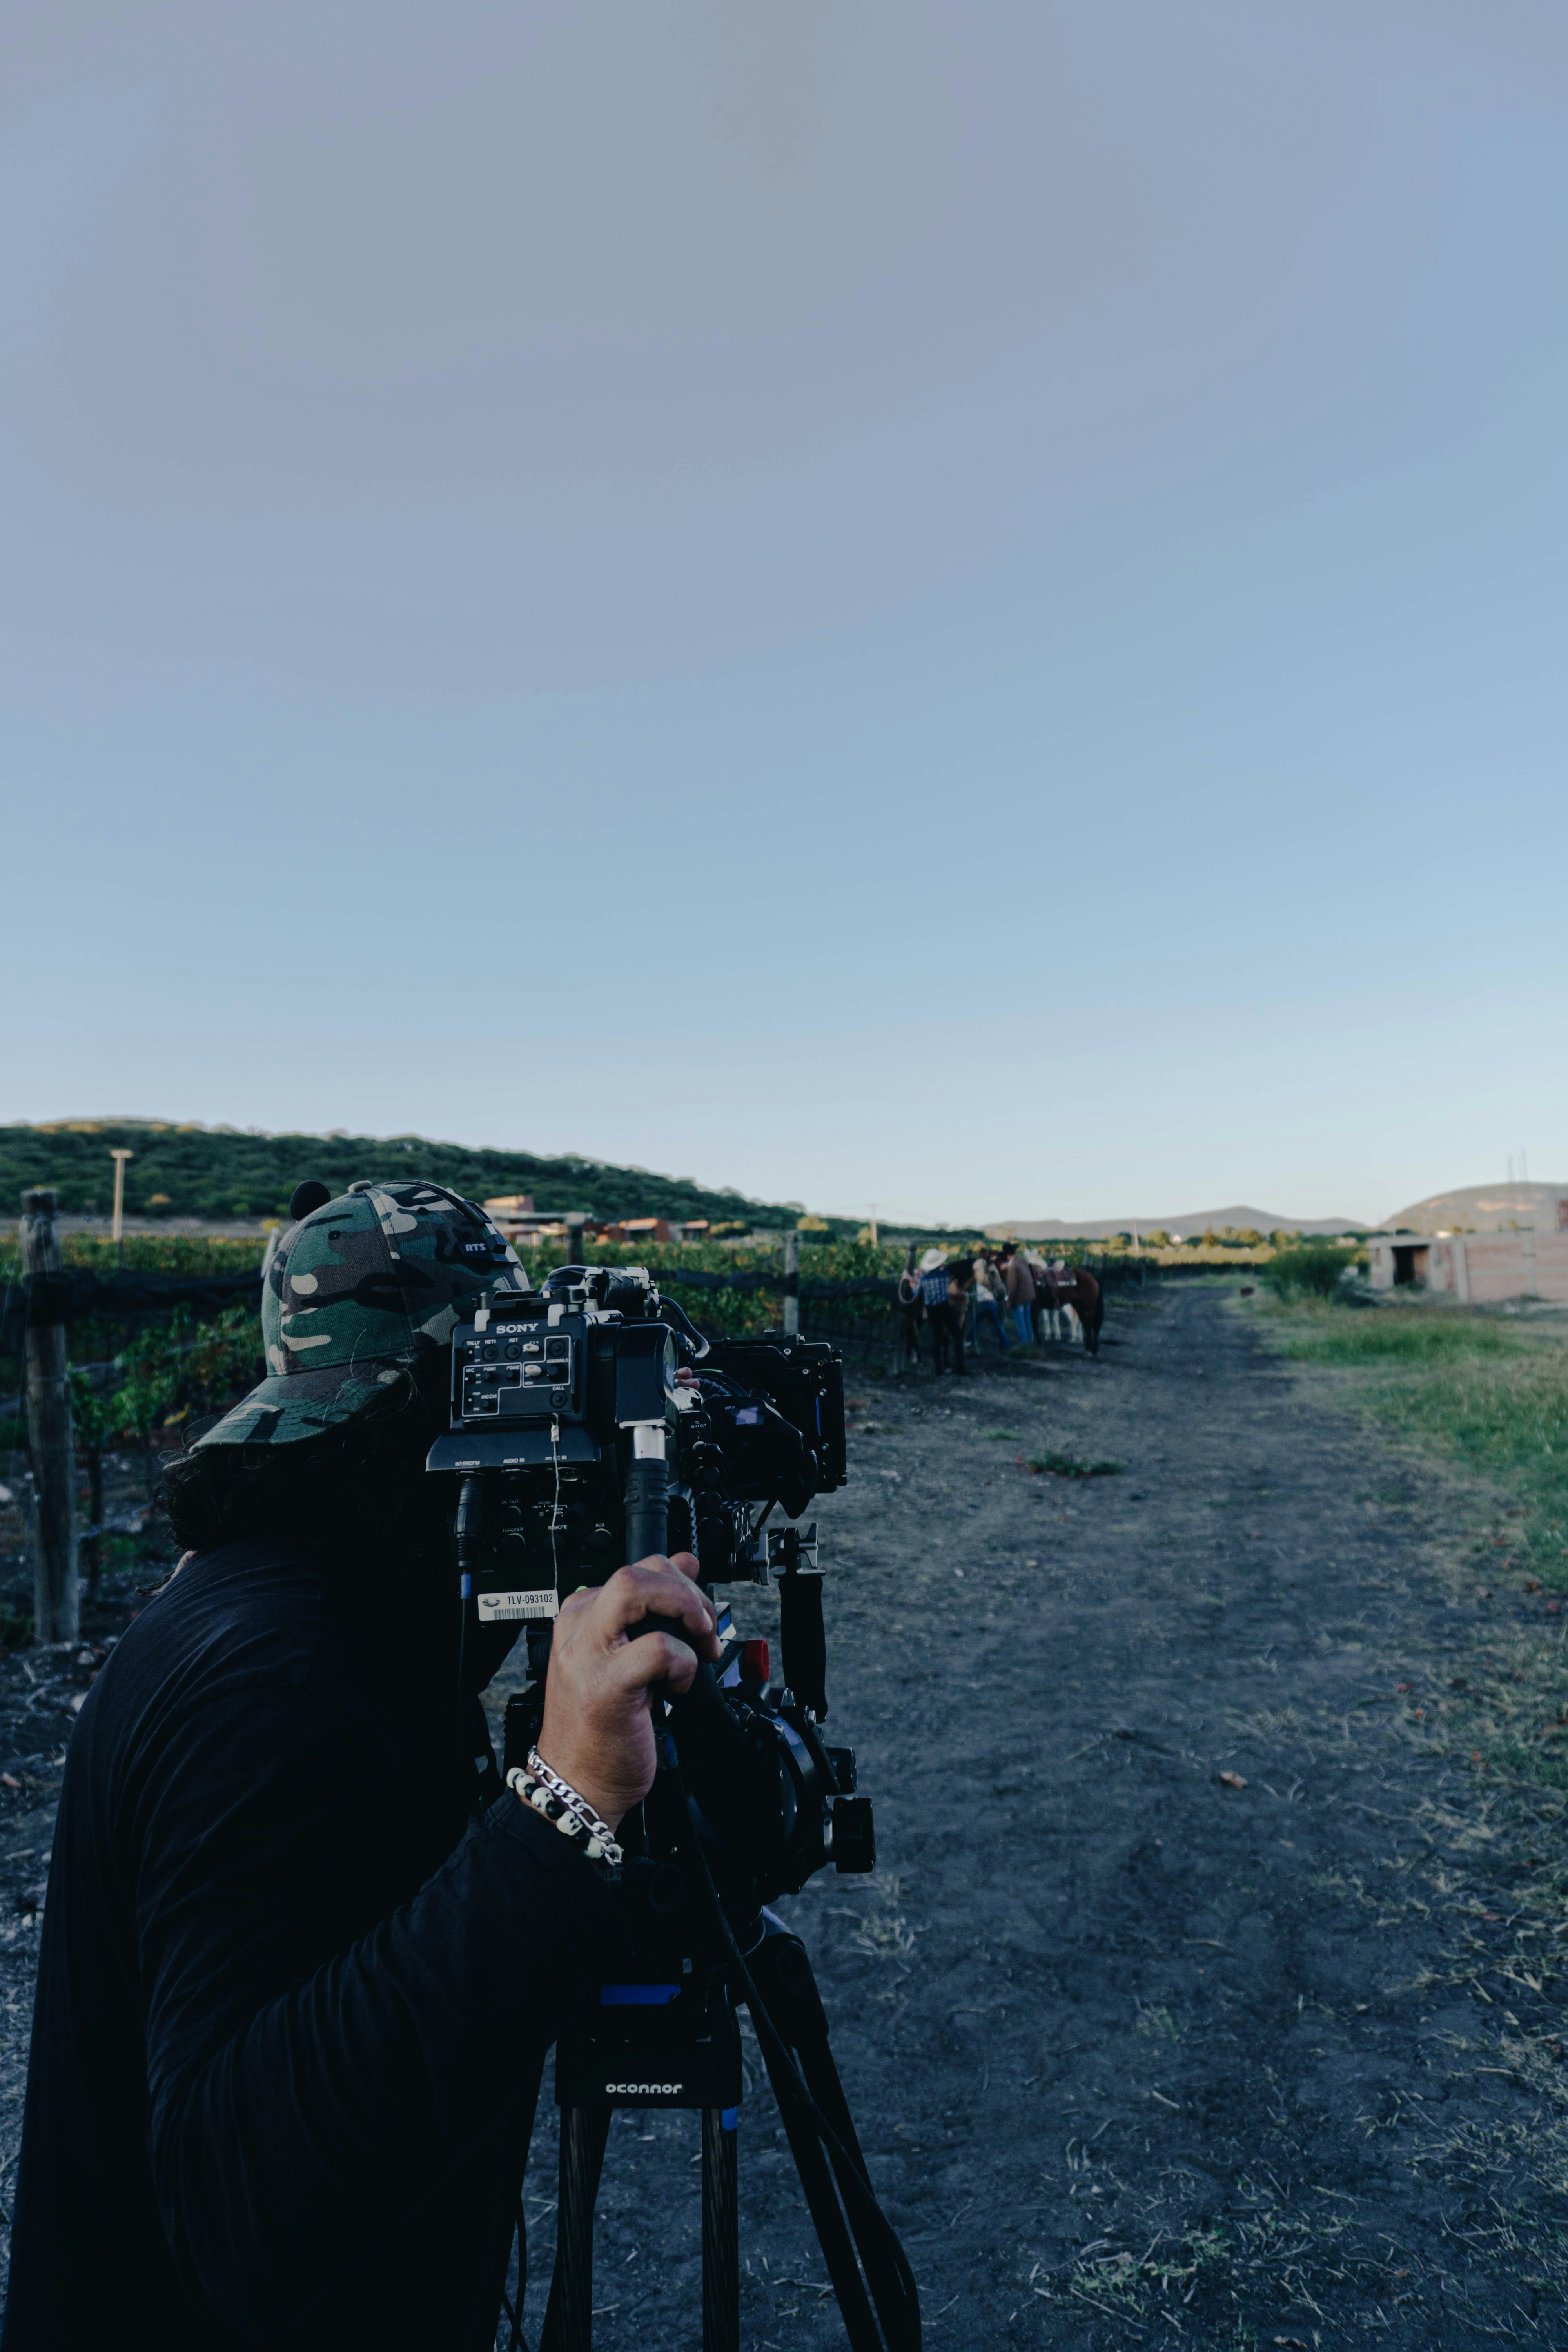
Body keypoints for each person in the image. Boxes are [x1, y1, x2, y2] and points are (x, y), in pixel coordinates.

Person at [2, 1178, 721, 2352]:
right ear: (427, 1418)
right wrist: (561, 1808)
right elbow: (236, 2214)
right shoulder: (278, 1686)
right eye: (517, 1410)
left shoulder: (296, 1608)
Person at [915, 1246, 954, 1375]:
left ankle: (938, 1369)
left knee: (936, 1338)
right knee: (952, 1334)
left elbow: (915, 1294)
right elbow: (947, 1272)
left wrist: (913, 1284)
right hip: (945, 1307)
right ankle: (952, 1362)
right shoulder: (945, 1275)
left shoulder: (923, 1279)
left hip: (932, 1311)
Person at [971, 1252, 1012, 1352]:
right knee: (995, 1324)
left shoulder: (986, 1274)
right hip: (988, 1302)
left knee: (977, 1321)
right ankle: (1005, 1344)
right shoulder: (982, 1273)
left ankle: (971, 1340)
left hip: (988, 1302)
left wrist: (990, 1299)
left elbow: (989, 1288)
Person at [943, 1259, 974, 1377]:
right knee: (953, 1337)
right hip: (948, 1310)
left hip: (952, 1310)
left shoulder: (952, 1277)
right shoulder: (949, 1278)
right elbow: (951, 1292)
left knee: (953, 1337)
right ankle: (957, 1366)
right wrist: (962, 1294)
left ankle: (950, 1363)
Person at [1001, 1243, 1037, 1345]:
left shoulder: (1013, 1266)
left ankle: (1024, 1345)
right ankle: (1031, 1342)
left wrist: (1010, 1301)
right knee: (1028, 1321)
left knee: (1021, 1323)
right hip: (1029, 1296)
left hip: (1019, 1299)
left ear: (1007, 1255)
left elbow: (1012, 1287)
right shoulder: (1022, 1260)